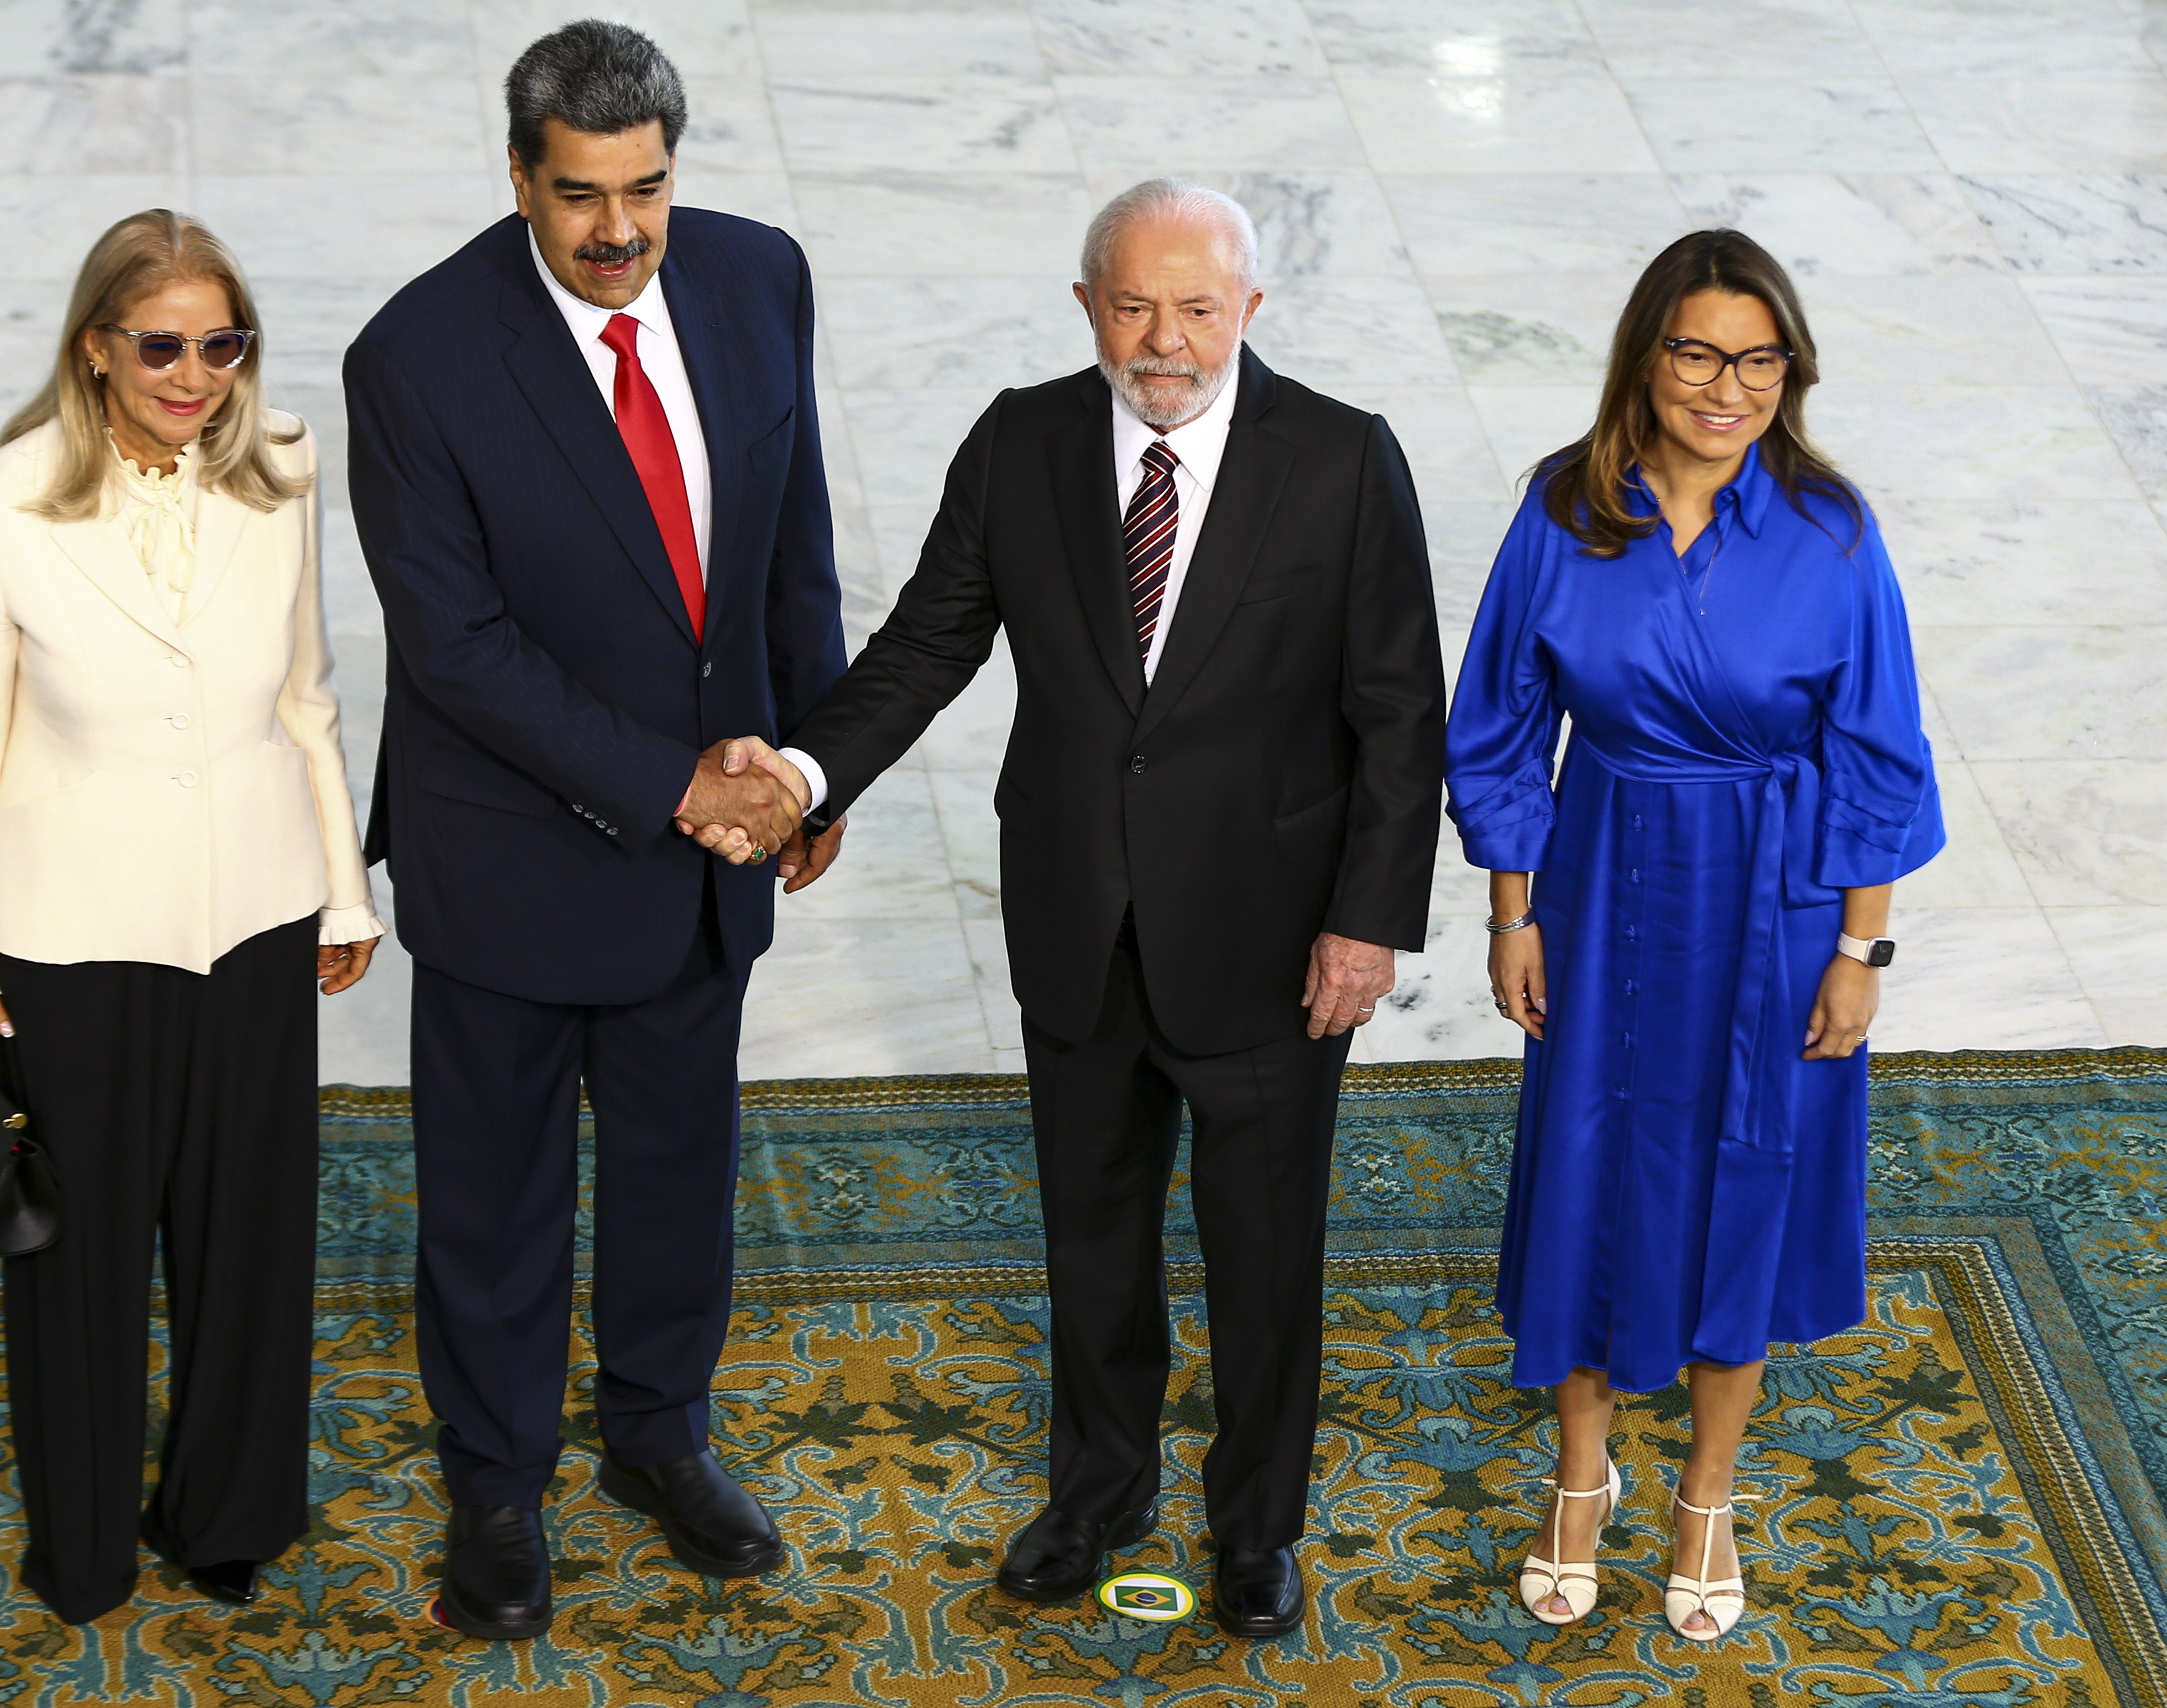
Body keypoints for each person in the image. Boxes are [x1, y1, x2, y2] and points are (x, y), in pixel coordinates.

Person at [735, 179, 1443, 1640]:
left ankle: (1257, 1526)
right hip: (1078, 922)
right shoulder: (1021, 443)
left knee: (1265, 1256)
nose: (1165, 339)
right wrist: (804, 771)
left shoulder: (1342, 462)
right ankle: (1099, 1490)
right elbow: (927, 641)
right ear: (1085, 309)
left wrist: (1368, 923)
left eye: (1198, 307)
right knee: (1095, 1242)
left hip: (1274, 938)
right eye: (1134, 306)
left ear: (1251, 308)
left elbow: (1399, 715)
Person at [342, 21, 844, 1642]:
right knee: (490, 1199)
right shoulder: (416, 358)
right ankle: (495, 1483)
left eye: (645, 190)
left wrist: (812, 766)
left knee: (679, 1166)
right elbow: (457, 648)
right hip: (512, 853)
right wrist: (683, 786)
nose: (618, 232)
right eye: (579, 198)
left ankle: (656, 1437)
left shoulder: (761, 280)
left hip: (708, 860)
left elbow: (791, 535)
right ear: (519, 179)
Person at [1442, 228, 1944, 1643]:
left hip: (1776, 903)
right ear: (1646, 358)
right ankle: (1582, 1474)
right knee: (1593, 1163)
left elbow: (1879, 757)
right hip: (1604, 881)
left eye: (1761, 360)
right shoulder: (1563, 508)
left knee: (1747, 1168)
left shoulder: (1832, 532)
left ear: (1792, 371)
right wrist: (1512, 915)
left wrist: (1862, 953)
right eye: (1699, 354)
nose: (1730, 389)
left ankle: (1708, 1495)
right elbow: (1495, 729)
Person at [0, 209, 385, 1624]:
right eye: (165, 345)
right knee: (78, 1263)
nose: (198, 376)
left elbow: (306, 697)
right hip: (69, 944)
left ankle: (228, 1513)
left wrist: (339, 887)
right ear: (97, 348)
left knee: (252, 1238)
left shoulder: (285, 470)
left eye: (224, 344)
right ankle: (84, 1545)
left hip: (253, 917)